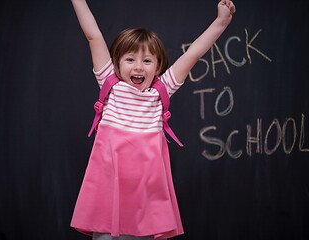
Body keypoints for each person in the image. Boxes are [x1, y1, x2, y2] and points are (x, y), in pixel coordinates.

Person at [70, 0, 235, 239]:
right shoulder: (110, 84)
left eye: (147, 61)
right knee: (107, 234)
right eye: (130, 60)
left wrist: (221, 22)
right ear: (116, 64)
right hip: (110, 185)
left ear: (158, 67)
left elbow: (194, 53)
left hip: (145, 192)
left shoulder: (161, 92)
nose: (138, 67)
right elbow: (93, 36)